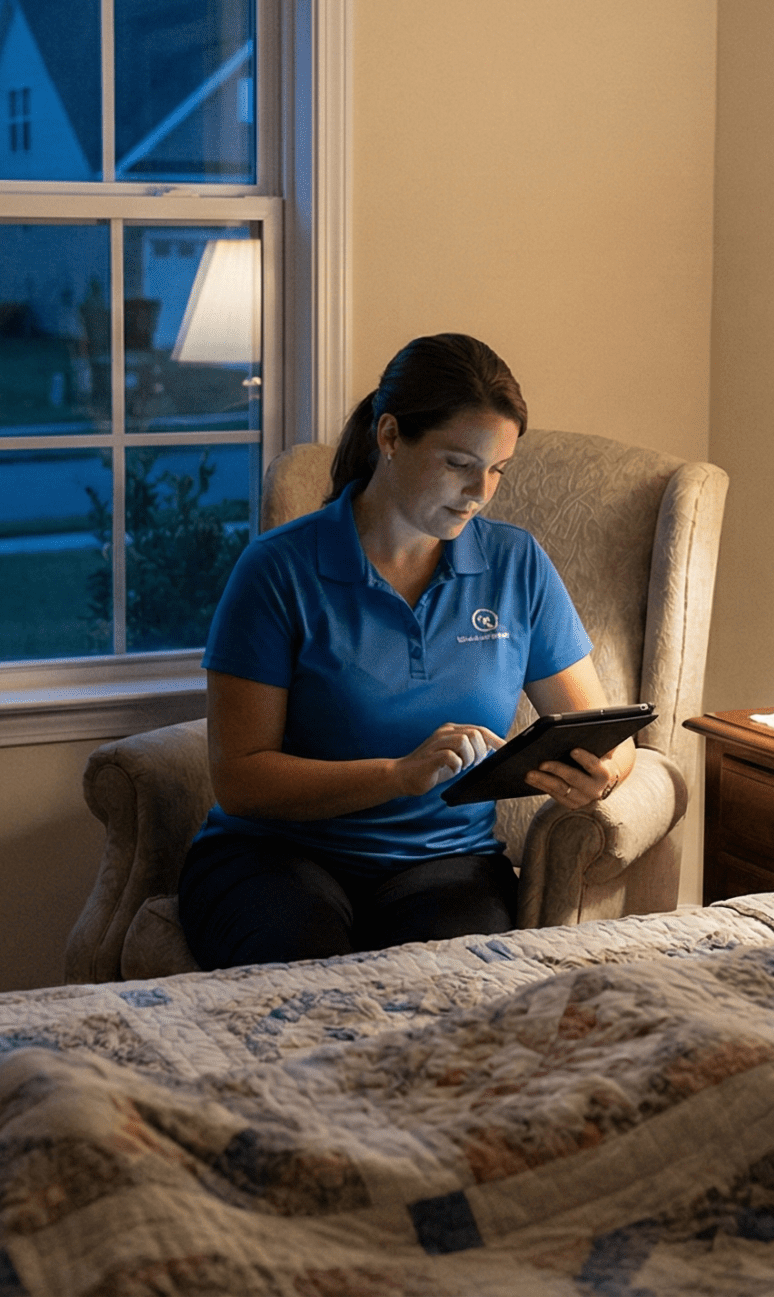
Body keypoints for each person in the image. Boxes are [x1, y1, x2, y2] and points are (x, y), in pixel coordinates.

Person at [177, 333, 637, 970]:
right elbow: (240, 781)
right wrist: (398, 774)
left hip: (447, 864)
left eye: (498, 469)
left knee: (451, 987)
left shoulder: (516, 565)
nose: (479, 491)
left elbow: (608, 736)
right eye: (458, 463)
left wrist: (603, 773)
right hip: (275, 855)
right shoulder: (277, 571)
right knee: (305, 977)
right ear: (390, 436)